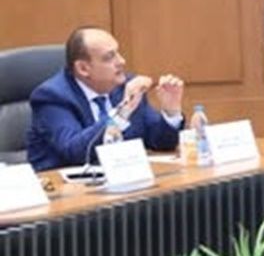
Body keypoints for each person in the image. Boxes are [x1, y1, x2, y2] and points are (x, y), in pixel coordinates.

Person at [26, 27, 186, 170]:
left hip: (121, 183)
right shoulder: (52, 97)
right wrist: (121, 113)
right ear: (83, 68)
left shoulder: (125, 86)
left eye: (118, 53)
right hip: (66, 189)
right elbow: (74, 152)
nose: (122, 61)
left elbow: (160, 142)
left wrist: (171, 112)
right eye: (109, 57)